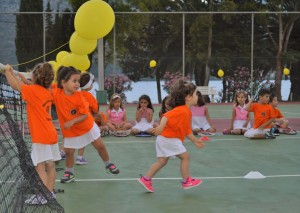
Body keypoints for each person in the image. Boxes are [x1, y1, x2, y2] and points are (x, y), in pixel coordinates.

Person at [2, 63, 60, 204]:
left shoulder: (33, 91)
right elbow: (27, 86)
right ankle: (50, 193)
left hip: (41, 136)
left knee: (39, 166)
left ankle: (43, 196)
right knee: (50, 166)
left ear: (35, 77)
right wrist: (22, 78)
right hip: (51, 135)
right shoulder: (47, 91)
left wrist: (6, 72)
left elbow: (16, 86)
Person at [52, 66, 120, 183]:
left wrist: (72, 121)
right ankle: (70, 173)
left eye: (78, 81)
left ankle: (108, 164)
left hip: (86, 126)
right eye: (74, 81)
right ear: (63, 82)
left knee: (100, 146)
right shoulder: (56, 93)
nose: (77, 84)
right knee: (69, 152)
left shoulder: (79, 97)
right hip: (71, 131)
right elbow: (40, 86)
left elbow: (84, 115)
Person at [138, 80, 205, 193]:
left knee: (162, 161)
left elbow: (187, 129)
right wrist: (161, 127)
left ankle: (146, 179)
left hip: (164, 139)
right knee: (185, 157)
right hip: (169, 139)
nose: (197, 96)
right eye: (195, 94)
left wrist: (194, 140)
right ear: (188, 98)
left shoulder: (186, 111)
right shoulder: (182, 110)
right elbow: (166, 116)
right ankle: (186, 181)